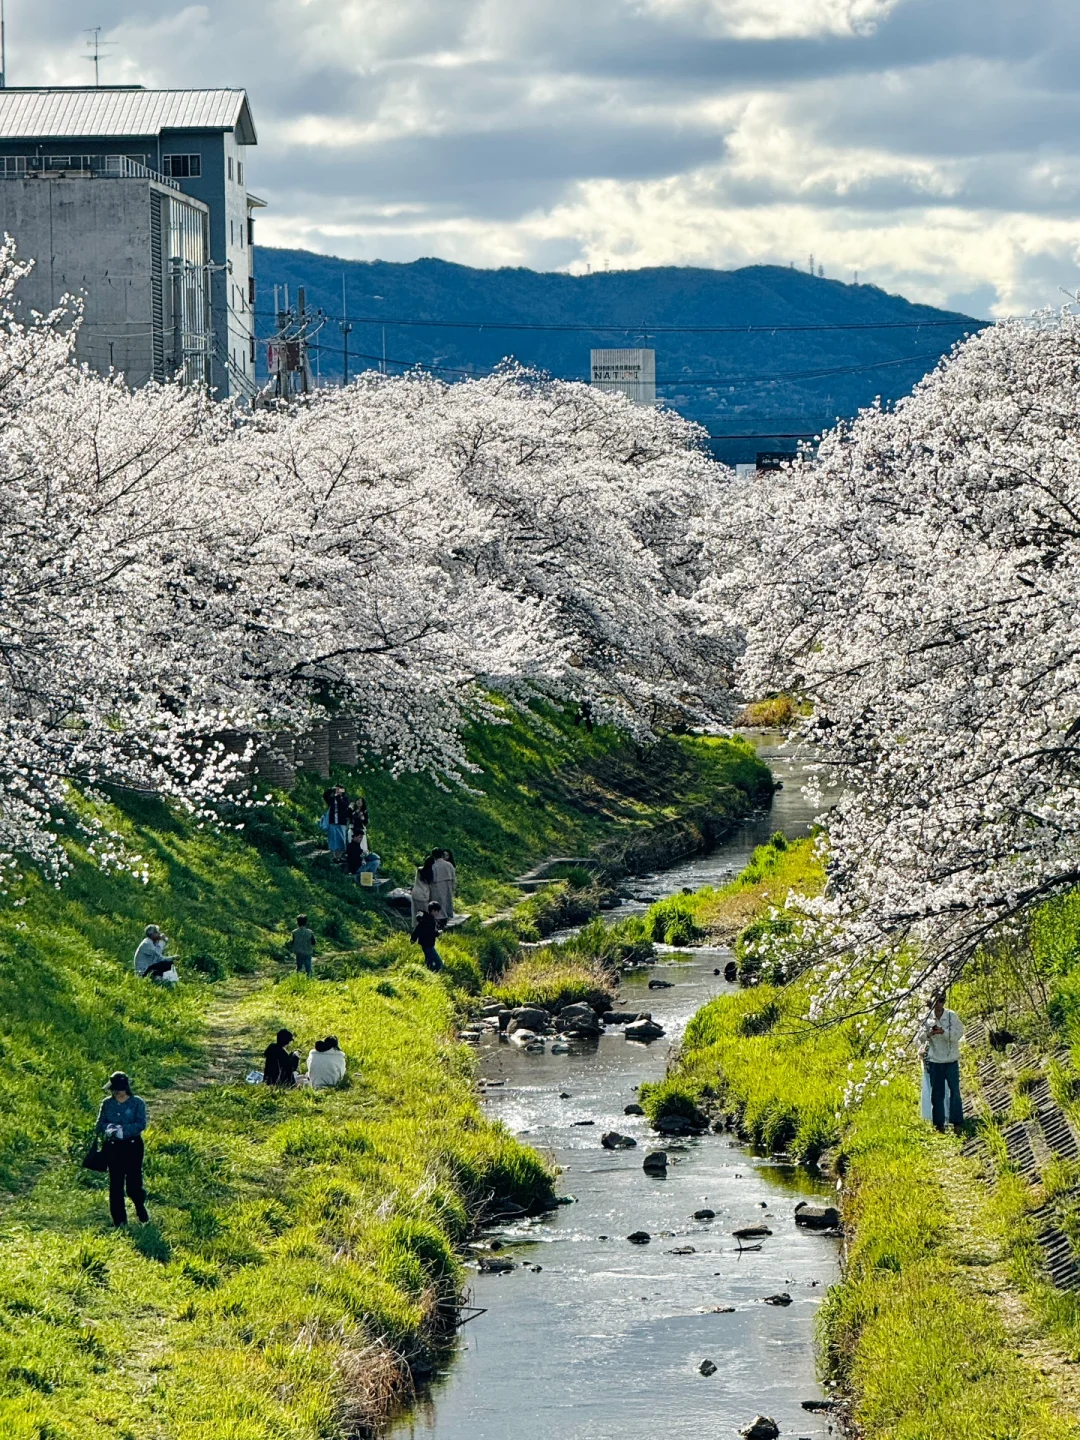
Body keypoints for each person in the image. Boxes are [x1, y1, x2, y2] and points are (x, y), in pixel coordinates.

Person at [95, 1071, 149, 1227]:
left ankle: (139, 1205)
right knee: (116, 1184)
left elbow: (141, 1123)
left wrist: (124, 1130)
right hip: (113, 1147)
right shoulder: (107, 1103)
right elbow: (99, 1124)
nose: (114, 1092)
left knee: (133, 1183)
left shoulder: (137, 1103)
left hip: (133, 1146)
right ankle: (119, 1221)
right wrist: (109, 1128)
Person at [919, 992, 965, 1134]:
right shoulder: (926, 1019)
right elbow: (919, 1037)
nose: (938, 1005)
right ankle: (939, 1124)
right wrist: (929, 1034)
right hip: (935, 1060)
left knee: (954, 1092)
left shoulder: (951, 1016)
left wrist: (943, 1032)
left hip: (951, 1059)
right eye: (936, 1002)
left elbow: (958, 1034)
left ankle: (957, 1122)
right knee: (937, 1094)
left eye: (941, 1001)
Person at [411, 901, 444, 972]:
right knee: (439, 963)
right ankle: (436, 974)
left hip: (424, 944)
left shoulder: (425, 919)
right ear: (433, 911)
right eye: (437, 911)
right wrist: (438, 933)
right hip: (428, 945)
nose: (438, 913)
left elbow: (417, 929)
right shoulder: (429, 921)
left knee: (429, 961)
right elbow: (430, 933)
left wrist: (413, 939)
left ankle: (429, 973)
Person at [321, 786, 352, 858]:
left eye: (340, 789)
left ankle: (339, 856)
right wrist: (331, 789)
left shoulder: (345, 799)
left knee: (341, 840)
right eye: (337, 790)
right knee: (332, 839)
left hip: (341, 823)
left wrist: (338, 797)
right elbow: (325, 795)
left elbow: (343, 805)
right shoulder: (331, 799)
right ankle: (334, 856)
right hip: (332, 822)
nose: (338, 791)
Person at [430, 849, 457, 923]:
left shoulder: (434, 866)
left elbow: (432, 878)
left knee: (439, 901)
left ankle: (440, 916)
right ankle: (448, 915)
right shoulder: (449, 865)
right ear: (442, 855)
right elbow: (454, 876)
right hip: (449, 884)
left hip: (437, 885)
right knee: (447, 900)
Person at [411, 853, 436, 922]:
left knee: (415, 912)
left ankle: (415, 926)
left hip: (415, 893)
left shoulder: (419, 870)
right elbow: (431, 886)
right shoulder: (431, 873)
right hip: (424, 895)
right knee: (425, 914)